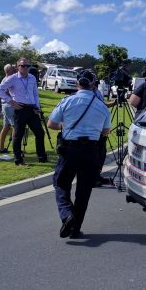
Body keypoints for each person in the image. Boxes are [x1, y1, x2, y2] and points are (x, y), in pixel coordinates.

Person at [47, 70, 111, 238]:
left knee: (61, 183)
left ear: (77, 83)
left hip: (70, 149)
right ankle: (75, 229)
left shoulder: (67, 101)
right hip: (91, 150)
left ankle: (67, 215)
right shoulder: (102, 106)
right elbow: (105, 132)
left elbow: (51, 124)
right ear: (93, 85)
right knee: (84, 191)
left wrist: (66, 126)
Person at [0, 57, 47, 165]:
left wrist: (37, 107)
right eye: (23, 66)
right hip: (20, 108)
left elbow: (35, 94)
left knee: (40, 132)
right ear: (17, 67)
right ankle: (18, 159)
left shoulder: (32, 78)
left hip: (32, 109)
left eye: (27, 66)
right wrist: (10, 101)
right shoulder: (13, 78)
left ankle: (42, 157)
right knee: (18, 135)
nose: (25, 68)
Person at [0, 64, 16, 154]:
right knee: (15, 127)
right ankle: (16, 148)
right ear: (9, 71)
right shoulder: (9, 79)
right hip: (9, 105)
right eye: (13, 68)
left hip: (5, 105)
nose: (15, 69)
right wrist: (12, 98)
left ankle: (1, 147)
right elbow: (5, 91)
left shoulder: (5, 79)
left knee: (6, 127)